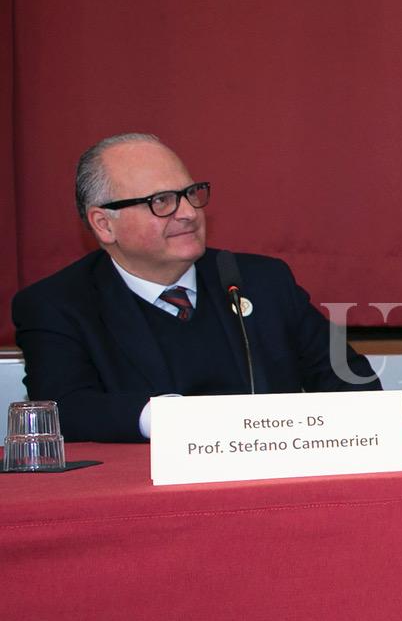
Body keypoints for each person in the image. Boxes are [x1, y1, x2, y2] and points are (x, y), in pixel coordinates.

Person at [11, 132, 380, 443]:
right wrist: (162, 419)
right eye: (162, 202)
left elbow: (351, 379)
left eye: (191, 193)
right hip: (149, 505)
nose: (188, 212)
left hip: (273, 487)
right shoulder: (56, 305)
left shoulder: (263, 281)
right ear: (104, 225)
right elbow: (62, 409)